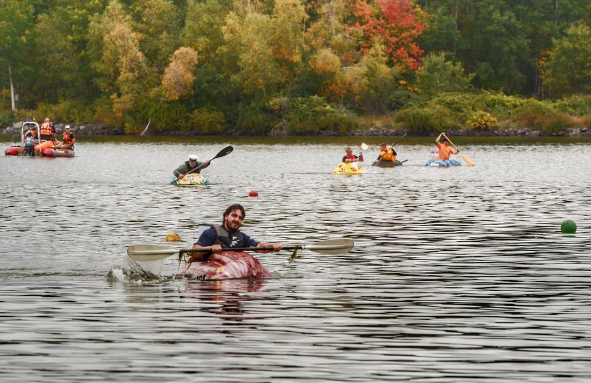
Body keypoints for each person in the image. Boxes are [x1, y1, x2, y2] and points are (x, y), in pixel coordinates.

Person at [188, 204, 283, 263]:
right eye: (234, 215)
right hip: (208, 267)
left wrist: (273, 246)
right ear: (226, 216)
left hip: (230, 269)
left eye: (240, 218)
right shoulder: (211, 233)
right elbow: (194, 251)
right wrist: (211, 248)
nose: (237, 220)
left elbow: (259, 247)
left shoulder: (241, 236)